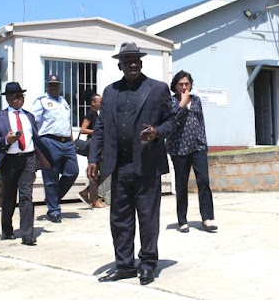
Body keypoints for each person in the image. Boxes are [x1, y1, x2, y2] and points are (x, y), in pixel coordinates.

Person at [88, 41, 179, 286]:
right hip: (119, 165)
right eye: (127, 60)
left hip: (147, 165)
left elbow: (173, 121)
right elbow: (100, 128)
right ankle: (125, 265)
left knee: (148, 217)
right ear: (120, 64)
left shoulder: (158, 89)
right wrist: (94, 158)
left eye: (136, 59)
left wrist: (158, 132)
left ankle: (148, 264)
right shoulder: (110, 92)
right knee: (120, 219)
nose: (133, 63)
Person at [0, 82, 52, 246]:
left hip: (27, 159)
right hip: (9, 160)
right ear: (8, 99)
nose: (19, 99)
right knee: (9, 197)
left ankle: (27, 234)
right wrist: (5, 140)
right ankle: (7, 229)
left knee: (26, 196)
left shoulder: (28, 116)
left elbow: (35, 138)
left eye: (21, 96)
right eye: (16, 96)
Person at [167, 70, 217, 233]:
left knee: (203, 181)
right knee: (181, 185)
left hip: (198, 146)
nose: (184, 87)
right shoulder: (171, 102)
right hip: (179, 148)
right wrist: (182, 103)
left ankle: (207, 218)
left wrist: (204, 142)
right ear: (175, 85)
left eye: (186, 84)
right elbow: (170, 120)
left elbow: (200, 122)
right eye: (181, 84)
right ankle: (182, 220)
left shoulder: (196, 101)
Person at [32, 74, 79, 223]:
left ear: (60, 86)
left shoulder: (64, 101)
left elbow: (66, 123)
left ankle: (53, 198)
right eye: (51, 85)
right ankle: (54, 210)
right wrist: (36, 143)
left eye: (56, 84)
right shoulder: (42, 102)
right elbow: (33, 122)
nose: (54, 87)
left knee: (73, 171)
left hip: (66, 142)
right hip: (49, 141)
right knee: (51, 178)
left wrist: (72, 140)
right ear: (46, 86)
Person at [77, 93, 108, 209]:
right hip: (92, 144)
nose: (101, 103)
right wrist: (97, 131)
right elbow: (83, 129)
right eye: (99, 102)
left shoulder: (98, 114)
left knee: (105, 170)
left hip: (100, 144)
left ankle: (86, 192)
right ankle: (94, 201)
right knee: (94, 172)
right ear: (93, 103)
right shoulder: (91, 113)